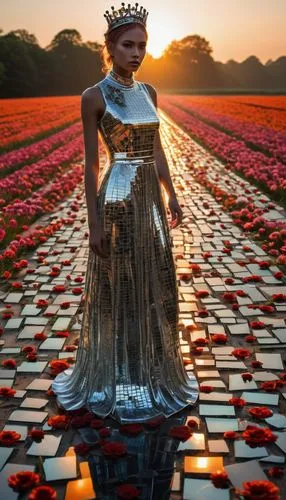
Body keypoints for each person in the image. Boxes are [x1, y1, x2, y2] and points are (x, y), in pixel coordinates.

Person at [52, 2, 198, 423]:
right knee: (120, 286)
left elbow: (156, 148)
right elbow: (91, 163)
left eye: (143, 46)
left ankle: (153, 369)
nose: (137, 53)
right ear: (111, 48)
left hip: (150, 194)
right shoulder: (93, 96)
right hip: (116, 195)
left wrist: (171, 193)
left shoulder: (149, 92)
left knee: (158, 280)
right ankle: (115, 375)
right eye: (129, 45)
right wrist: (93, 222)